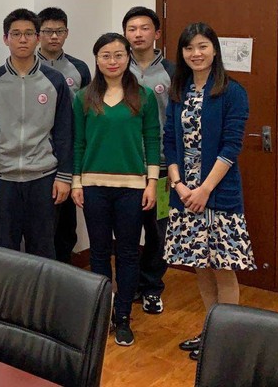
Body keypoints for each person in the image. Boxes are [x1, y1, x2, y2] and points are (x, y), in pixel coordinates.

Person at [163, 22, 254, 361]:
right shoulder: (179, 90)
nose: (196, 53)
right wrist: (178, 185)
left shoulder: (232, 92)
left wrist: (204, 189)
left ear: (214, 49)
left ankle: (228, 344)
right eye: (189, 48)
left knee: (222, 268)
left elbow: (231, 147)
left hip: (217, 194)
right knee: (200, 266)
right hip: (184, 194)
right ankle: (211, 333)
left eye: (202, 46)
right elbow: (169, 142)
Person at [71, 32, 160, 347]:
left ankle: (123, 317)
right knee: (98, 253)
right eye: (106, 55)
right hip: (93, 186)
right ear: (96, 59)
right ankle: (102, 315)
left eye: (119, 55)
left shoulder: (144, 96)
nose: (113, 61)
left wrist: (151, 183)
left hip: (132, 188)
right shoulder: (83, 97)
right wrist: (77, 182)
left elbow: (152, 140)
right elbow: (78, 143)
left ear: (128, 57)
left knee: (127, 253)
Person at [0, 8, 73, 260]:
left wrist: (64, 176)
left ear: (37, 38)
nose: (22, 39)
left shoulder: (55, 80)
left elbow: (64, 131)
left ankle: (42, 289)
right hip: (2, 178)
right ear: (6, 38)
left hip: (44, 177)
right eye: (16, 34)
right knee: (4, 251)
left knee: (43, 250)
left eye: (29, 33)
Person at [123, 6, 175, 314]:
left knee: (159, 231)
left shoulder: (172, 71)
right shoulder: (116, 66)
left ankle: (152, 287)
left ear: (156, 33)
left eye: (144, 28)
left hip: (163, 166)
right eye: (132, 29)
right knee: (127, 229)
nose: (138, 34)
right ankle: (129, 285)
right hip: (126, 166)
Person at [37, 6, 92, 265]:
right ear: (38, 34)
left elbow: (89, 111)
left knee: (66, 224)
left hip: (69, 152)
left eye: (59, 31)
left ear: (67, 33)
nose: (53, 36)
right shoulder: (27, 66)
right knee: (41, 224)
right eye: (48, 31)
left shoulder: (79, 68)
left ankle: (63, 273)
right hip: (37, 154)